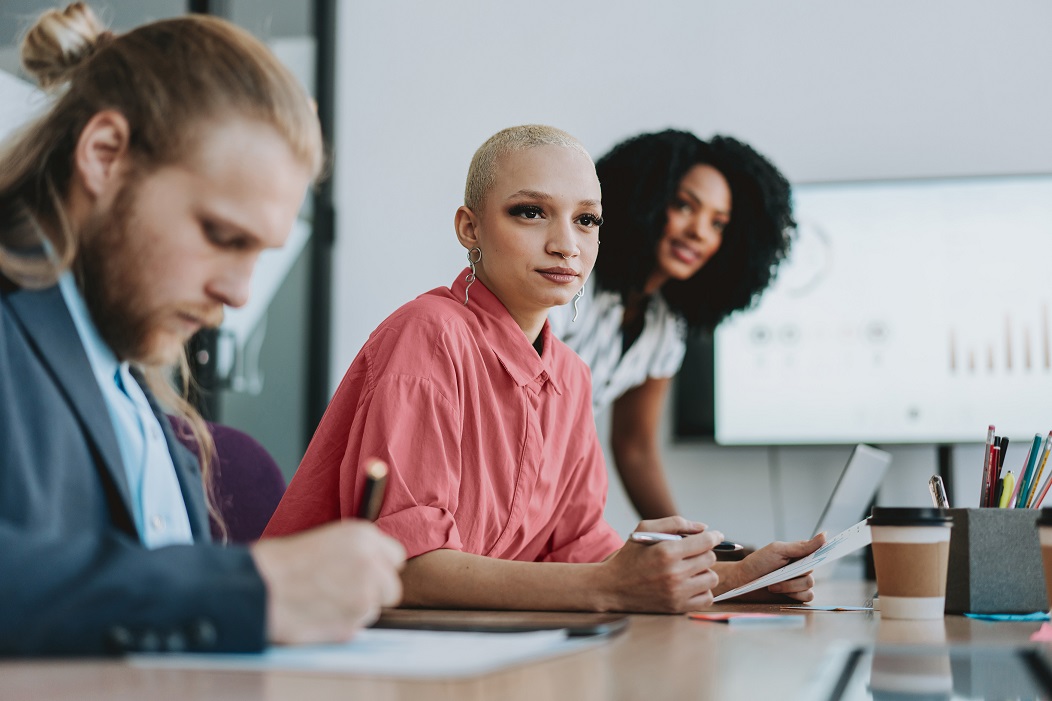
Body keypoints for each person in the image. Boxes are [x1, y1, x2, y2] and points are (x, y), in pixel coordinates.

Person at [264, 125, 822, 612]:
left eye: (586, 220)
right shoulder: (428, 334)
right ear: (469, 228)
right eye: (530, 212)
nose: (564, 244)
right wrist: (609, 587)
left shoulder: (573, 377)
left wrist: (744, 577)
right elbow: (406, 566)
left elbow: (581, 549)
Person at [0, 3, 404, 656]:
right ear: (104, 156)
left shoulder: (134, 393)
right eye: (221, 236)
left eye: (259, 253)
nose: (238, 293)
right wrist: (250, 586)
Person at [547, 130, 796, 519]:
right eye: (684, 206)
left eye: (718, 224)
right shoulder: (567, 281)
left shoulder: (665, 328)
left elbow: (635, 446)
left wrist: (694, 545)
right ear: (642, 198)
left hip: (547, 505)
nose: (699, 232)